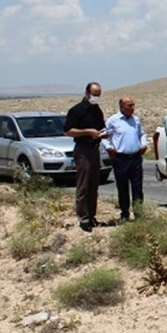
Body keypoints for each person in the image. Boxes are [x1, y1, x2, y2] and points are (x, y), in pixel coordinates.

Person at [64, 82, 106, 232]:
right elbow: (68, 131)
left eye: (98, 95)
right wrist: (87, 132)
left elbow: (101, 126)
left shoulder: (97, 110)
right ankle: (83, 218)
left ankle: (92, 215)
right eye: (94, 95)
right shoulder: (76, 110)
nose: (96, 98)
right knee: (83, 185)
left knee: (94, 185)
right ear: (87, 93)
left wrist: (103, 133)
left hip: (95, 148)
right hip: (83, 149)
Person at [103, 96, 147, 223]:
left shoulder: (136, 120)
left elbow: (141, 134)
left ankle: (139, 213)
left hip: (135, 157)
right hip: (120, 159)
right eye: (129, 105)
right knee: (122, 188)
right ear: (121, 107)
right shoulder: (113, 120)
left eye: (133, 105)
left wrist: (143, 145)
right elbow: (104, 136)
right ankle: (125, 213)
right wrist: (109, 148)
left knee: (137, 188)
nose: (132, 108)